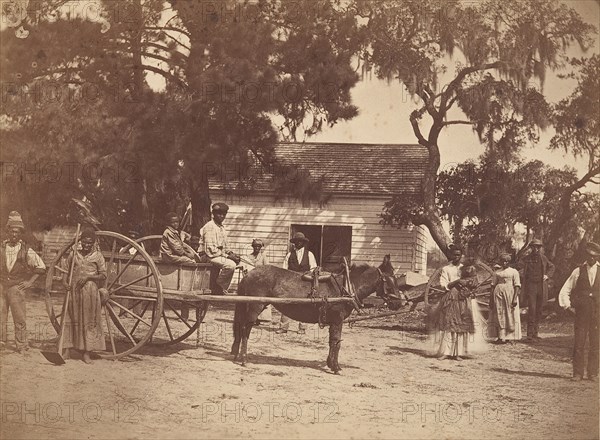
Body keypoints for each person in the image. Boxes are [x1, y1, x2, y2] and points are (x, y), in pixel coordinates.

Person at [0, 211, 46, 353]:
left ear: (20, 233)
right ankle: (1, 343)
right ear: (8, 231)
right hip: (1, 287)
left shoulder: (26, 250)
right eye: (12, 232)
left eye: (17, 232)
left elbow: (41, 267)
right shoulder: (1, 247)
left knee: (19, 317)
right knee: (0, 316)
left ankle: (21, 345)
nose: (14, 235)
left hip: (16, 288)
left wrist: (29, 282)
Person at [62, 228, 107, 363]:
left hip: (90, 292)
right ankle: (67, 350)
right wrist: (64, 282)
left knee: (88, 321)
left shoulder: (98, 256)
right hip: (74, 291)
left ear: (93, 243)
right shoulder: (74, 254)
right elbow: (66, 270)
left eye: (90, 243)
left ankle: (87, 353)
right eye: (84, 242)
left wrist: (88, 276)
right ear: (80, 242)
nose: (87, 245)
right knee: (71, 318)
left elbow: (103, 275)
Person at [558, 241, 600, 382]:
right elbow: (566, 289)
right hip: (581, 313)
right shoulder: (578, 271)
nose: (592, 258)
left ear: (598, 256)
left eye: (594, 256)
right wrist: (567, 306)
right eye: (589, 255)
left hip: (597, 313)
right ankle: (577, 373)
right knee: (579, 343)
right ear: (586, 255)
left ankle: (593, 373)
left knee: (595, 343)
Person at [433, 263, 479, 360]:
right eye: (454, 254)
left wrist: (470, 289)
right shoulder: (446, 268)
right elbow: (445, 285)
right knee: (449, 323)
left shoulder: (468, 267)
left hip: (463, 300)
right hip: (452, 297)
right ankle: (446, 352)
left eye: (458, 254)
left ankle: (458, 353)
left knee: (460, 325)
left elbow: (475, 285)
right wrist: (457, 281)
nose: (456, 257)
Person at [276, 232, 317, 334]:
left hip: (304, 283)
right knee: (286, 303)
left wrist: (307, 277)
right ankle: (283, 327)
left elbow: (313, 269)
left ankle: (302, 328)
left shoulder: (309, 254)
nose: (298, 243)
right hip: (291, 283)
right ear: (294, 243)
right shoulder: (289, 255)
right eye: (296, 241)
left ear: (303, 242)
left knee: (304, 305)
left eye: (300, 241)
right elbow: (284, 270)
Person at [199, 203, 240, 295]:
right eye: (219, 213)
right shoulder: (210, 227)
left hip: (217, 255)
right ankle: (218, 287)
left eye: (224, 214)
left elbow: (225, 246)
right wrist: (228, 257)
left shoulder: (221, 227)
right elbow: (210, 250)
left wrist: (231, 254)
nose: (222, 216)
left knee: (241, 262)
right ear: (213, 213)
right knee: (230, 265)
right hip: (207, 256)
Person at [519, 239, 555, 341]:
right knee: (532, 309)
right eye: (534, 247)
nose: (536, 249)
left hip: (541, 286)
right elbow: (519, 268)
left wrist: (547, 275)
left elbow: (552, 267)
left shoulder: (543, 258)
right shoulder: (526, 259)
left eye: (538, 247)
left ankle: (535, 333)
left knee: (539, 310)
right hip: (531, 286)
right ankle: (529, 334)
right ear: (531, 248)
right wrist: (523, 276)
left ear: (540, 248)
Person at [489, 253, 522, 344]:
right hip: (498, 293)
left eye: (507, 261)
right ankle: (500, 336)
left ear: (509, 262)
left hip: (510, 293)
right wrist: (491, 298)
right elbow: (493, 285)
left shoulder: (514, 272)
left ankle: (510, 336)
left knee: (510, 313)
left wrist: (515, 298)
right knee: (499, 313)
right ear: (500, 262)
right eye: (503, 261)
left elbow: (517, 285)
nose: (505, 263)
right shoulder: (497, 272)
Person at [246, 239, 271, 323]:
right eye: (255, 246)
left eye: (259, 246)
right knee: (251, 300)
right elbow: (245, 268)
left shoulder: (263, 256)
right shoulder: (248, 257)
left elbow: (267, 268)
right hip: (251, 281)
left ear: (261, 247)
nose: (257, 248)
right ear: (252, 247)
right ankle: (253, 318)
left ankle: (262, 317)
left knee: (262, 299)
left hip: (261, 281)